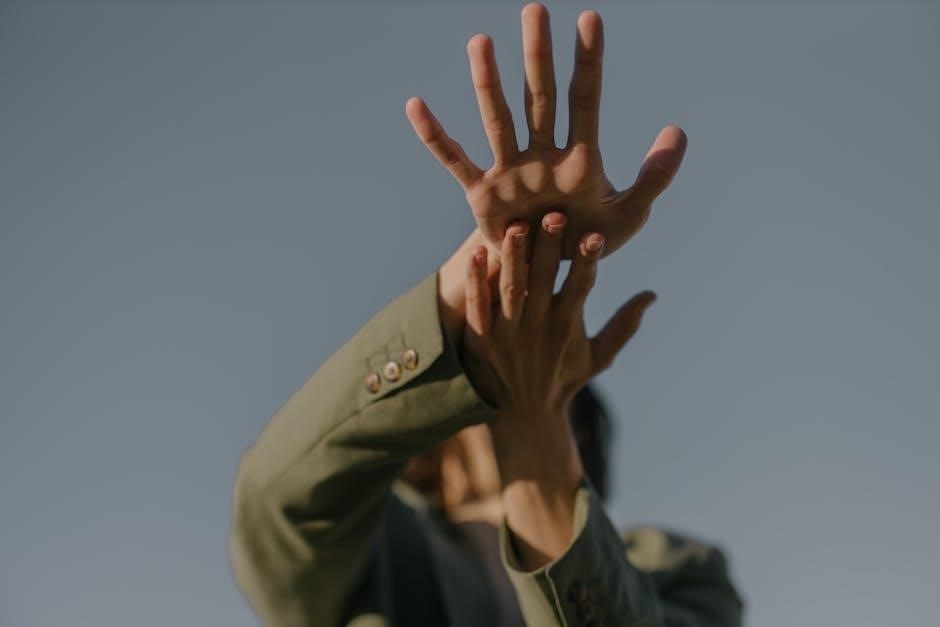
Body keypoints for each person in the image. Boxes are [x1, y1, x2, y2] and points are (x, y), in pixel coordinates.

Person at [228, 4, 744, 626]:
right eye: (478, 369)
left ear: (584, 434)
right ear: (433, 430)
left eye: (548, 365)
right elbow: (276, 503)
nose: (509, 341)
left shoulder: (679, 570)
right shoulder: (379, 547)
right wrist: (484, 267)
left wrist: (537, 430)